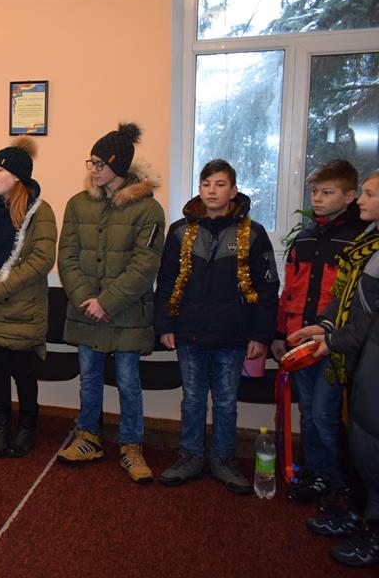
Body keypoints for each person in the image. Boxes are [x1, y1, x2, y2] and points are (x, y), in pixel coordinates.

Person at [155, 159, 279, 493]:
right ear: (199, 188)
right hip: (189, 334)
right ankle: (190, 457)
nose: (212, 190)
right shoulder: (179, 231)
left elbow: (268, 289)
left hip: (233, 337)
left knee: (225, 402)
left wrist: (260, 335)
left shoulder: (254, 234)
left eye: (220, 184)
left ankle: (224, 460)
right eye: (206, 184)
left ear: (233, 191)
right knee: (192, 399)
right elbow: (166, 282)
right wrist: (165, 325)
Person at [56, 123, 164, 484]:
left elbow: (144, 265)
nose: (93, 169)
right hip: (86, 310)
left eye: (100, 163)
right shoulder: (77, 204)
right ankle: (88, 437)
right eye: (91, 162)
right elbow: (67, 257)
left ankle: (131, 444)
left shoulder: (148, 210)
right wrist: (86, 299)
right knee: (89, 378)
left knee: (128, 382)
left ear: (118, 165)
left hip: (127, 313)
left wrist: (107, 302)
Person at [291, 170, 379, 568]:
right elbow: (344, 299)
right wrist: (324, 326)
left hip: (355, 353)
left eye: (368, 194)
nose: (361, 201)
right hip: (349, 351)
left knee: (334, 422)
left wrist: (333, 340)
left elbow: (370, 318)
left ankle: (363, 519)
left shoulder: (360, 239)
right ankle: (351, 506)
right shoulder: (365, 243)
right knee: (342, 430)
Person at [271, 159, 365, 503]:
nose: (318, 199)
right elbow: (290, 291)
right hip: (301, 341)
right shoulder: (305, 237)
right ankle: (317, 475)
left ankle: (344, 483)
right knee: (308, 413)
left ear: (349, 196)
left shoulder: (358, 240)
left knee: (325, 415)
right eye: (314, 192)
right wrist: (279, 333)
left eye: (327, 192)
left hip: (334, 344)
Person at [0, 138, 57, 458]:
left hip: (22, 308)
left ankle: (27, 428)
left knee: (23, 371)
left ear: (17, 176)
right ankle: (0, 427)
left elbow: (41, 260)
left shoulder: (40, 211)